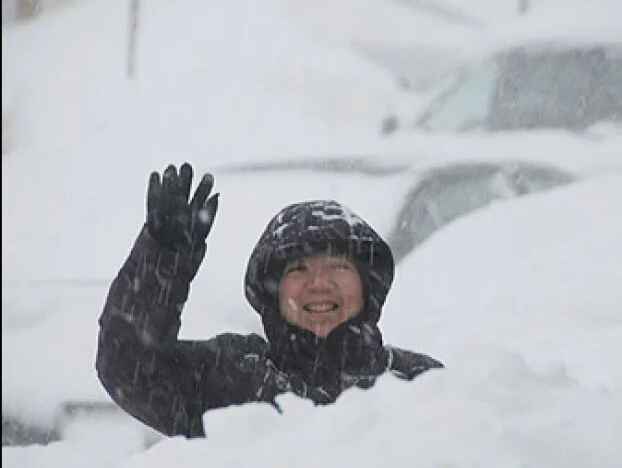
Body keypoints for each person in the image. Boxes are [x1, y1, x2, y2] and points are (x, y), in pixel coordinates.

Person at [96, 163, 443, 438]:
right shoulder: (232, 377)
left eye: (338, 267)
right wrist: (162, 258)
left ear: (369, 287)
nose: (319, 283)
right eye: (299, 269)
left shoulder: (418, 384)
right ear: (272, 292)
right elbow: (128, 366)